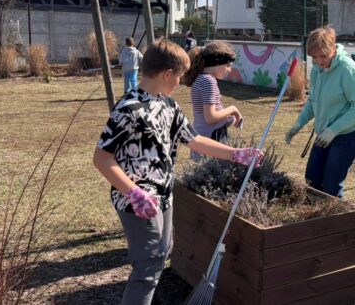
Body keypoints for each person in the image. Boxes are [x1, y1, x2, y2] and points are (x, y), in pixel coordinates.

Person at [93, 39, 263, 305]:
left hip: (163, 196)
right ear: (167, 74)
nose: (181, 81)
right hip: (136, 202)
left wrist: (236, 154)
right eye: (180, 75)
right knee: (147, 266)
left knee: (162, 254)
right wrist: (134, 193)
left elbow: (194, 140)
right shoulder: (129, 109)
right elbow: (102, 158)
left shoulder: (169, 106)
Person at [285, 27, 355, 198]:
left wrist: (334, 130)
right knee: (312, 179)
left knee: (331, 184)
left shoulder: (348, 70)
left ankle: (337, 221)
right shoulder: (317, 69)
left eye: (323, 56)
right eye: (314, 57)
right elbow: (313, 100)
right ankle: (316, 218)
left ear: (333, 48)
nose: (319, 61)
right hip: (325, 131)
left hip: (349, 132)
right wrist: (299, 123)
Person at [184, 41, 242, 160]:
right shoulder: (208, 81)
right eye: (228, 65)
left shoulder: (202, 79)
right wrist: (233, 109)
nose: (229, 70)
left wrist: (228, 119)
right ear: (216, 62)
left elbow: (211, 112)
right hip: (211, 138)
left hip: (206, 136)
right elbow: (210, 117)